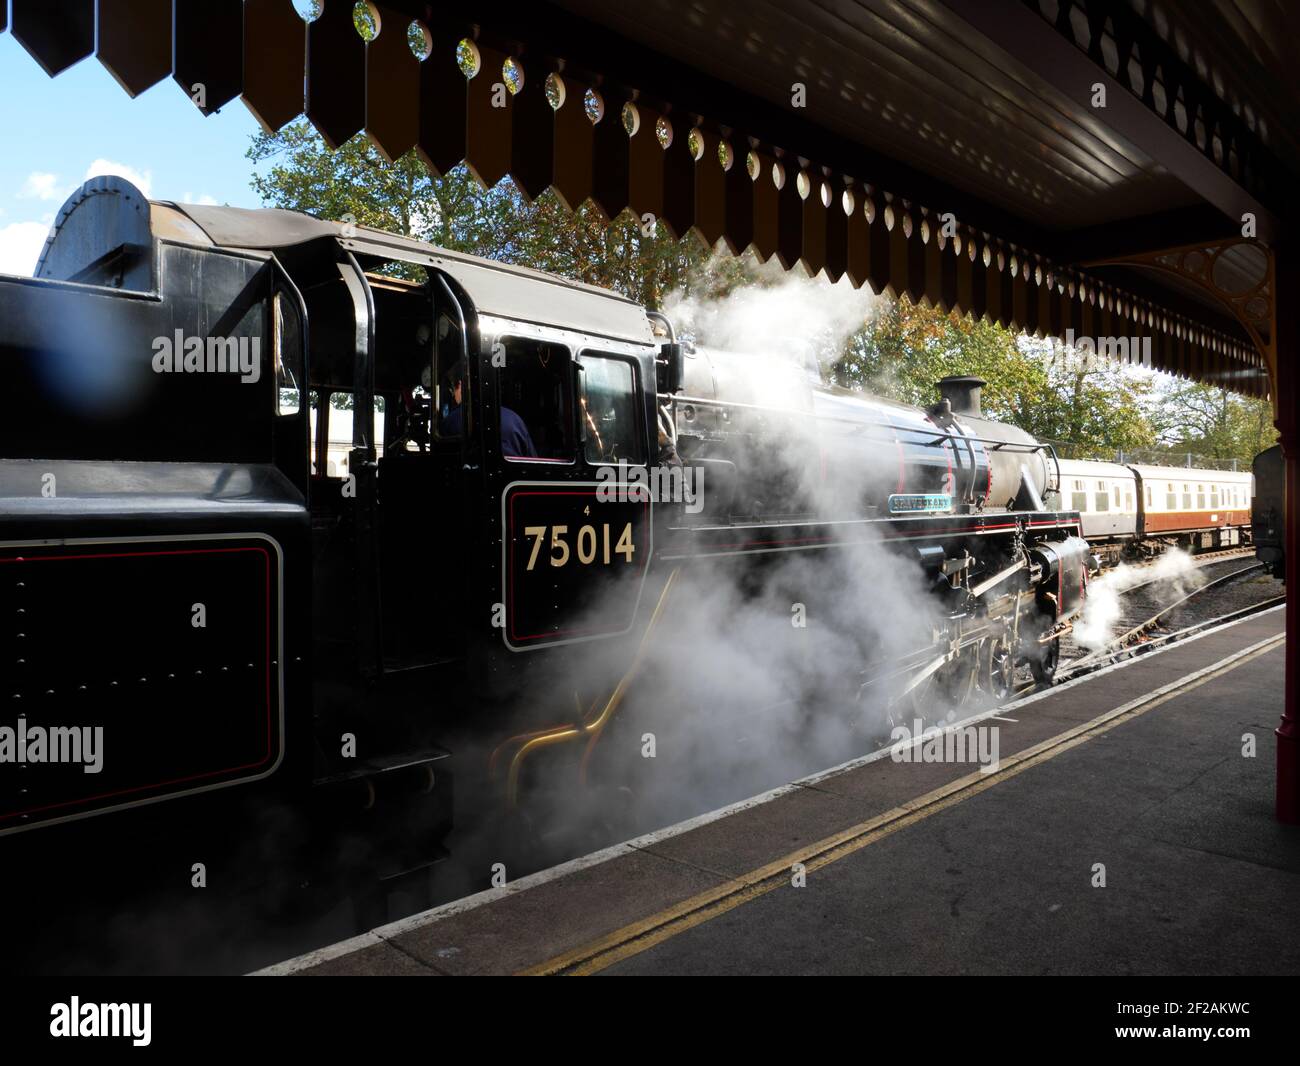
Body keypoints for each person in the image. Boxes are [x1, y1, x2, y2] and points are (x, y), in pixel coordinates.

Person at [441, 358, 538, 459]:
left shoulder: (449, 423)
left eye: (452, 389)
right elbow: (532, 460)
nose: (453, 395)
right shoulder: (515, 420)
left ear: (461, 385)